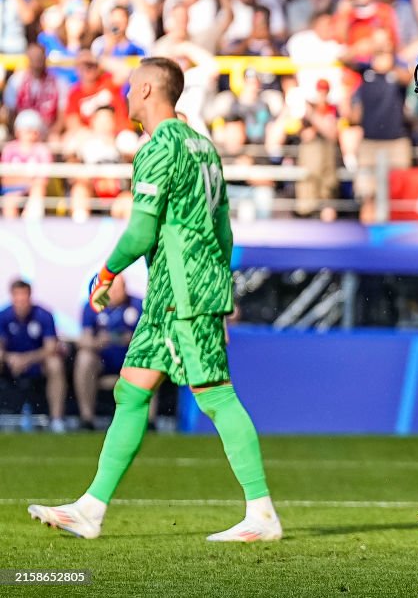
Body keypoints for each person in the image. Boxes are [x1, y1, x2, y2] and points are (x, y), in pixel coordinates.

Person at [28, 57, 282, 543]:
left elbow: (141, 231)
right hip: (181, 291)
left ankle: (262, 513)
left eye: (130, 87)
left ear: (147, 90)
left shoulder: (159, 148)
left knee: (215, 394)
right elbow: (224, 231)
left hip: (182, 293)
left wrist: (106, 273)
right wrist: (221, 292)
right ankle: (91, 509)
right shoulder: (204, 147)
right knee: (131, 391)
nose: (126, 95)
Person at [73, 275, 143, 431]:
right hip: (102, 359)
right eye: (114, 288)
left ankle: (148, 421)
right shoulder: (92, 306)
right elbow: (83, 340)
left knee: (149, 359)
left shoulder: (138, 305)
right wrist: (99, 341)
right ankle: (87, 418)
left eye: (121, 288)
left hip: (130, 359)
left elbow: (149, 337)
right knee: (84, 358)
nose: (118, 292)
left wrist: (131, 339)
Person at [0, 280, 67, 433]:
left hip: (38, 362)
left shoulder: (44, 315)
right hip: (11, 363)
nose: (21, 301)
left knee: (55, 364)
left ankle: (57, 419)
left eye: (24, 296)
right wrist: (10, 358)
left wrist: (26, 359)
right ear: (12, 297)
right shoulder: (3, 316)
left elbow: (50, 347)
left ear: (30, 296)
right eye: (17, 296)